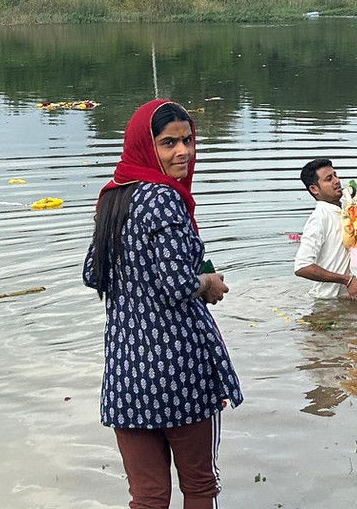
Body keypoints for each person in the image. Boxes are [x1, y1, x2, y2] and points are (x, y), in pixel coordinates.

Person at [83, 99, 243, 509]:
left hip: (127, 375)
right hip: (178, 370)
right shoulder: (163, 199)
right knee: (200, 487)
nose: (183, 152)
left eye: (188, 140)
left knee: (148, 496)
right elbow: (176, 284)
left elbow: (91, 273)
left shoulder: (113, 198)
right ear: (145, 145)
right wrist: (207, 281)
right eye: (168, 143)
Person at [294, 158, 357, 300]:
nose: (336, 181)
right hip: (330, 301)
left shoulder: (349, 206)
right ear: (314, 189)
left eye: (335, 175)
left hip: (356, 297)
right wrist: (347, 280)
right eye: (328, 179)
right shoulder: (319, 218)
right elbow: (302, 266)